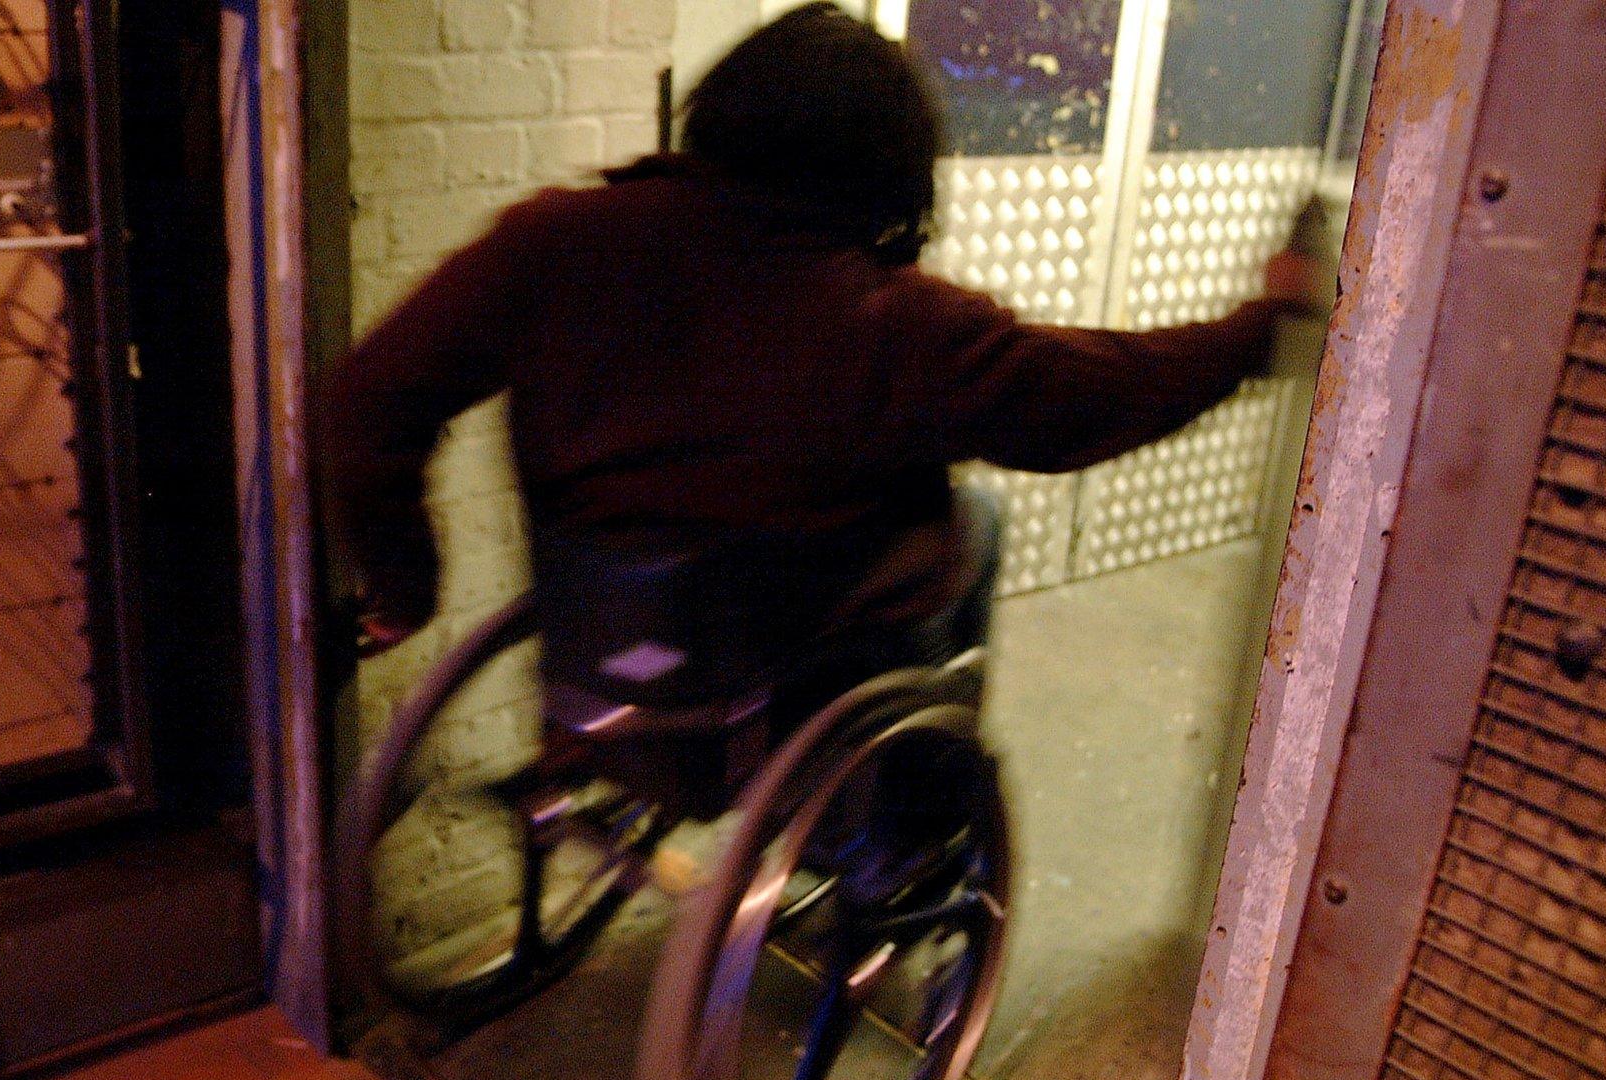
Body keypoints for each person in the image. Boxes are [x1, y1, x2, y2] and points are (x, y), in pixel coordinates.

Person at [322, 2, 1317, 678]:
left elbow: (365, 399)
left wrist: (406, 587)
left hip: (605, 631)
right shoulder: (903, 324)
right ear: (887, 165)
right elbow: (1098, 393)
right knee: (974, 524)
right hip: (771, 653)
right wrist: (1259, 323)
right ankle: (902, 839)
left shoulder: (551, 240)